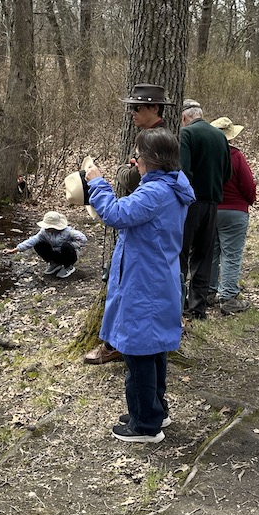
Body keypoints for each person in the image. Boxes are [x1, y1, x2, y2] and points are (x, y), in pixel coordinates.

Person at [84, 128, 195, 443]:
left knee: (138, 352)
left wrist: (96, 182)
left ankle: (145, 425)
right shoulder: (172, 186)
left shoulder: (155, 193)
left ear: (149, 161)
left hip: (145, 283)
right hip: (157, 278)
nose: (135, 162)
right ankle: (155, 409)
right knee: (155, 348)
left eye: (138, 157)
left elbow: (116, 214)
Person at [83, 83, 170, 365]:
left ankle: (126, 347)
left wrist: (105, 180)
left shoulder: (160, 142)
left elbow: (137, 182)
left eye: (137, 107)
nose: (131, 112)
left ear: (154, 108)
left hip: (142, 226)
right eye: (131, 107)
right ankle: (120, 343)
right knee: (122, 290)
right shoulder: (149, 137)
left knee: (135, 299)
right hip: (137, 220)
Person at [179, 101, 232, 320]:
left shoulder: (186, 135)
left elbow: (183, 173)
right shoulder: (220, 136)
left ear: (184, 118)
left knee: (180, 254)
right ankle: (198, 308)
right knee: (203, 255)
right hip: (212, 204)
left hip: (190, 204)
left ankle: (179, 302)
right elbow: (227, 173)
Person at [209, 117, 257, 315]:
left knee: (210, 254)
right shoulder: (236, 156)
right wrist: (249, 200)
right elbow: (248, 185)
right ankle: (228, 296)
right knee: (231, 255)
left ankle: (207, 291)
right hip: (235, 211)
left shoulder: (204, 156)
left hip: (210, 210)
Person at [2, 211, 87, 279]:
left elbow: (83, 239)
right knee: (38, 244)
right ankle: (55, 263)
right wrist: (15, 250)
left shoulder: (68, 232)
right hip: (55, 253)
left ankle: (68, 266)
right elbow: (32, 240)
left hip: (68, 253)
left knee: (66, 246)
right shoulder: (44, 232)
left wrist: (72, 245)